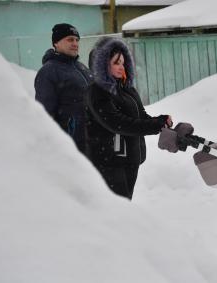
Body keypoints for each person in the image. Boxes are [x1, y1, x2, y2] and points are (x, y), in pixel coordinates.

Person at [86, 37, 172, 200]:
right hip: (110, 162)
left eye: (123, 62)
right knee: (116, 209)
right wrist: (155, 126)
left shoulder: (126, 89)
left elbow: (140, 116)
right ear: (103, 64)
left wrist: (161, 121)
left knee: (124, 204)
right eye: (116, 62)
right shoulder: (97, 92)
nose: (122, 67)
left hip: (129, 159)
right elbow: (118, 124)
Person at [35, 23, 93, 153]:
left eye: (77, 40)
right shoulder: (48, 71)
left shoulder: (81, 67)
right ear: (56, 43)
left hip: (93, 141)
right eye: (70, 39)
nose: (75, 43)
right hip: (71, 145)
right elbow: (45, 115)